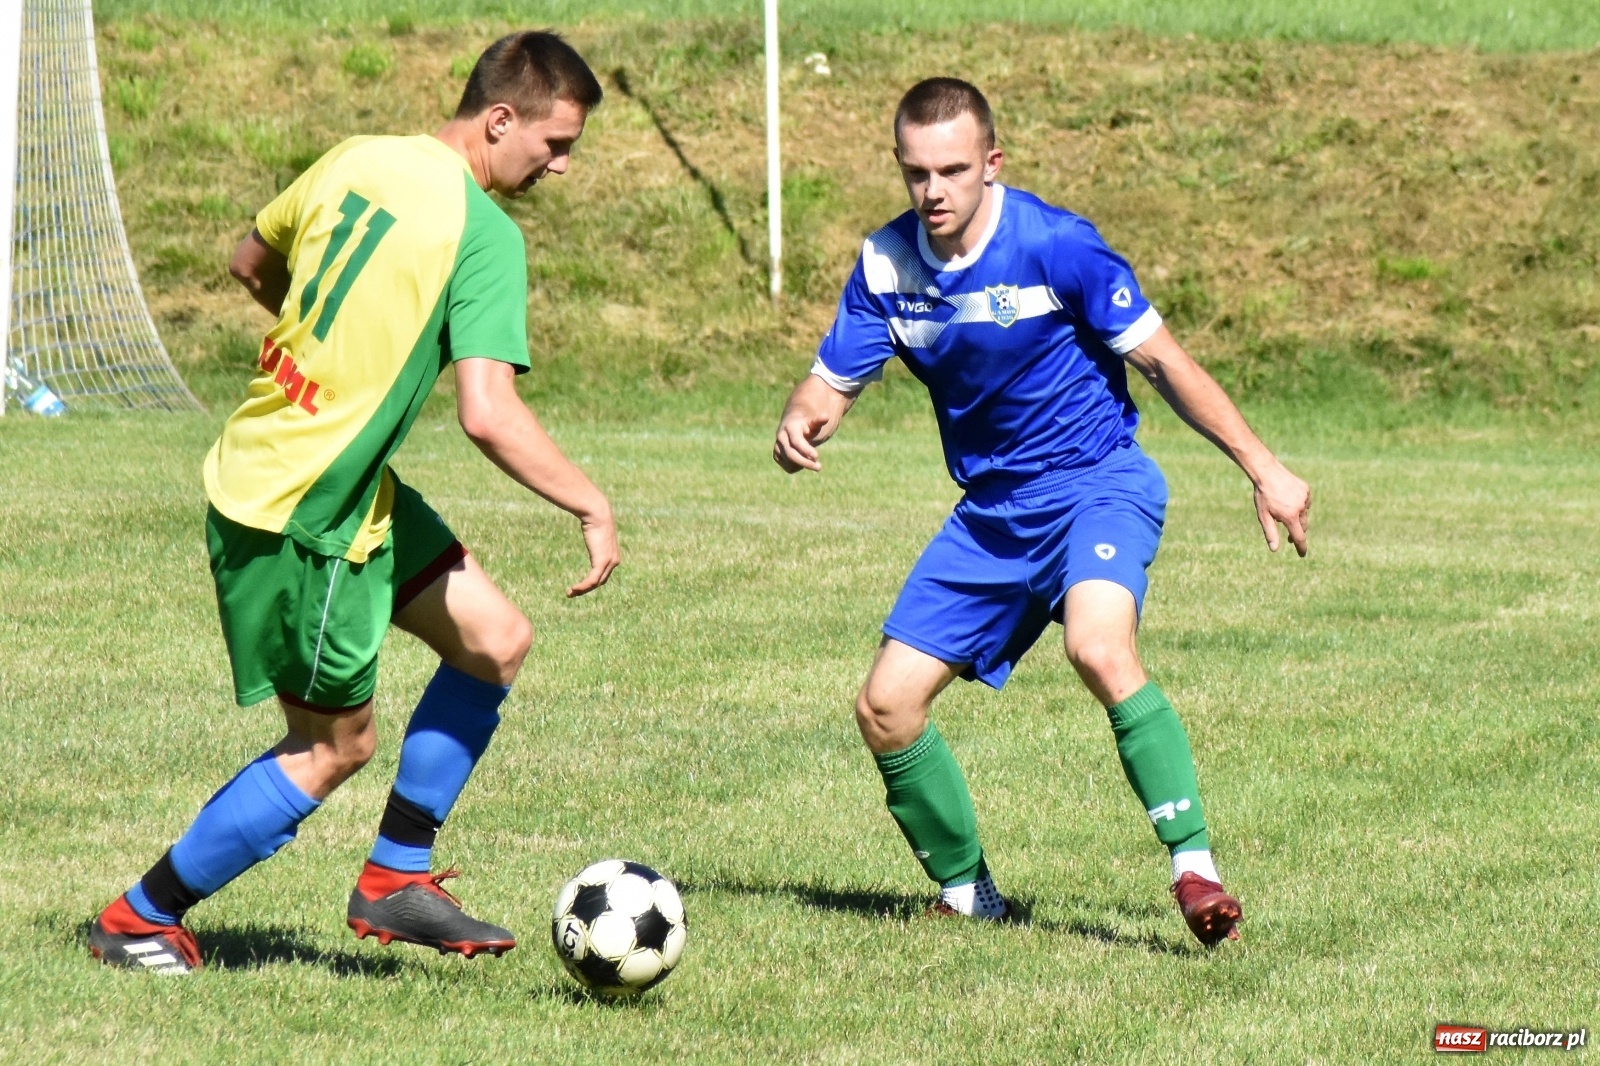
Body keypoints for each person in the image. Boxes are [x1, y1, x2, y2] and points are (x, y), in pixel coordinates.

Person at [88, 31, 619, 974]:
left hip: (313, 472)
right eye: (555, 145)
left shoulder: (359, 157)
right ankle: (139, 917)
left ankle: (395, 878)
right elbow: (489, 414)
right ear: (501, 120)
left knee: (494, 638)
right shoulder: (483, 234)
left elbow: (252, 260)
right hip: (306, 511)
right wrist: (591, 505)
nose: (563, 167)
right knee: (333, 745)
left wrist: (325, 357)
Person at [772, 78, 1310, 945]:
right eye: (916, 173)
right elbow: (832, 379)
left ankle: (1194, 869)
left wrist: (1264, 467)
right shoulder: (887, 264)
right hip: (991, 514)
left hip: (1098, 483)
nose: (934, 191)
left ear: (992, 163)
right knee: (886, 707)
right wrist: (803, 418)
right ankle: (967, 896)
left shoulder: (1059, 246)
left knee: (1097, 645)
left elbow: (1167, 366)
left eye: (952, 169)